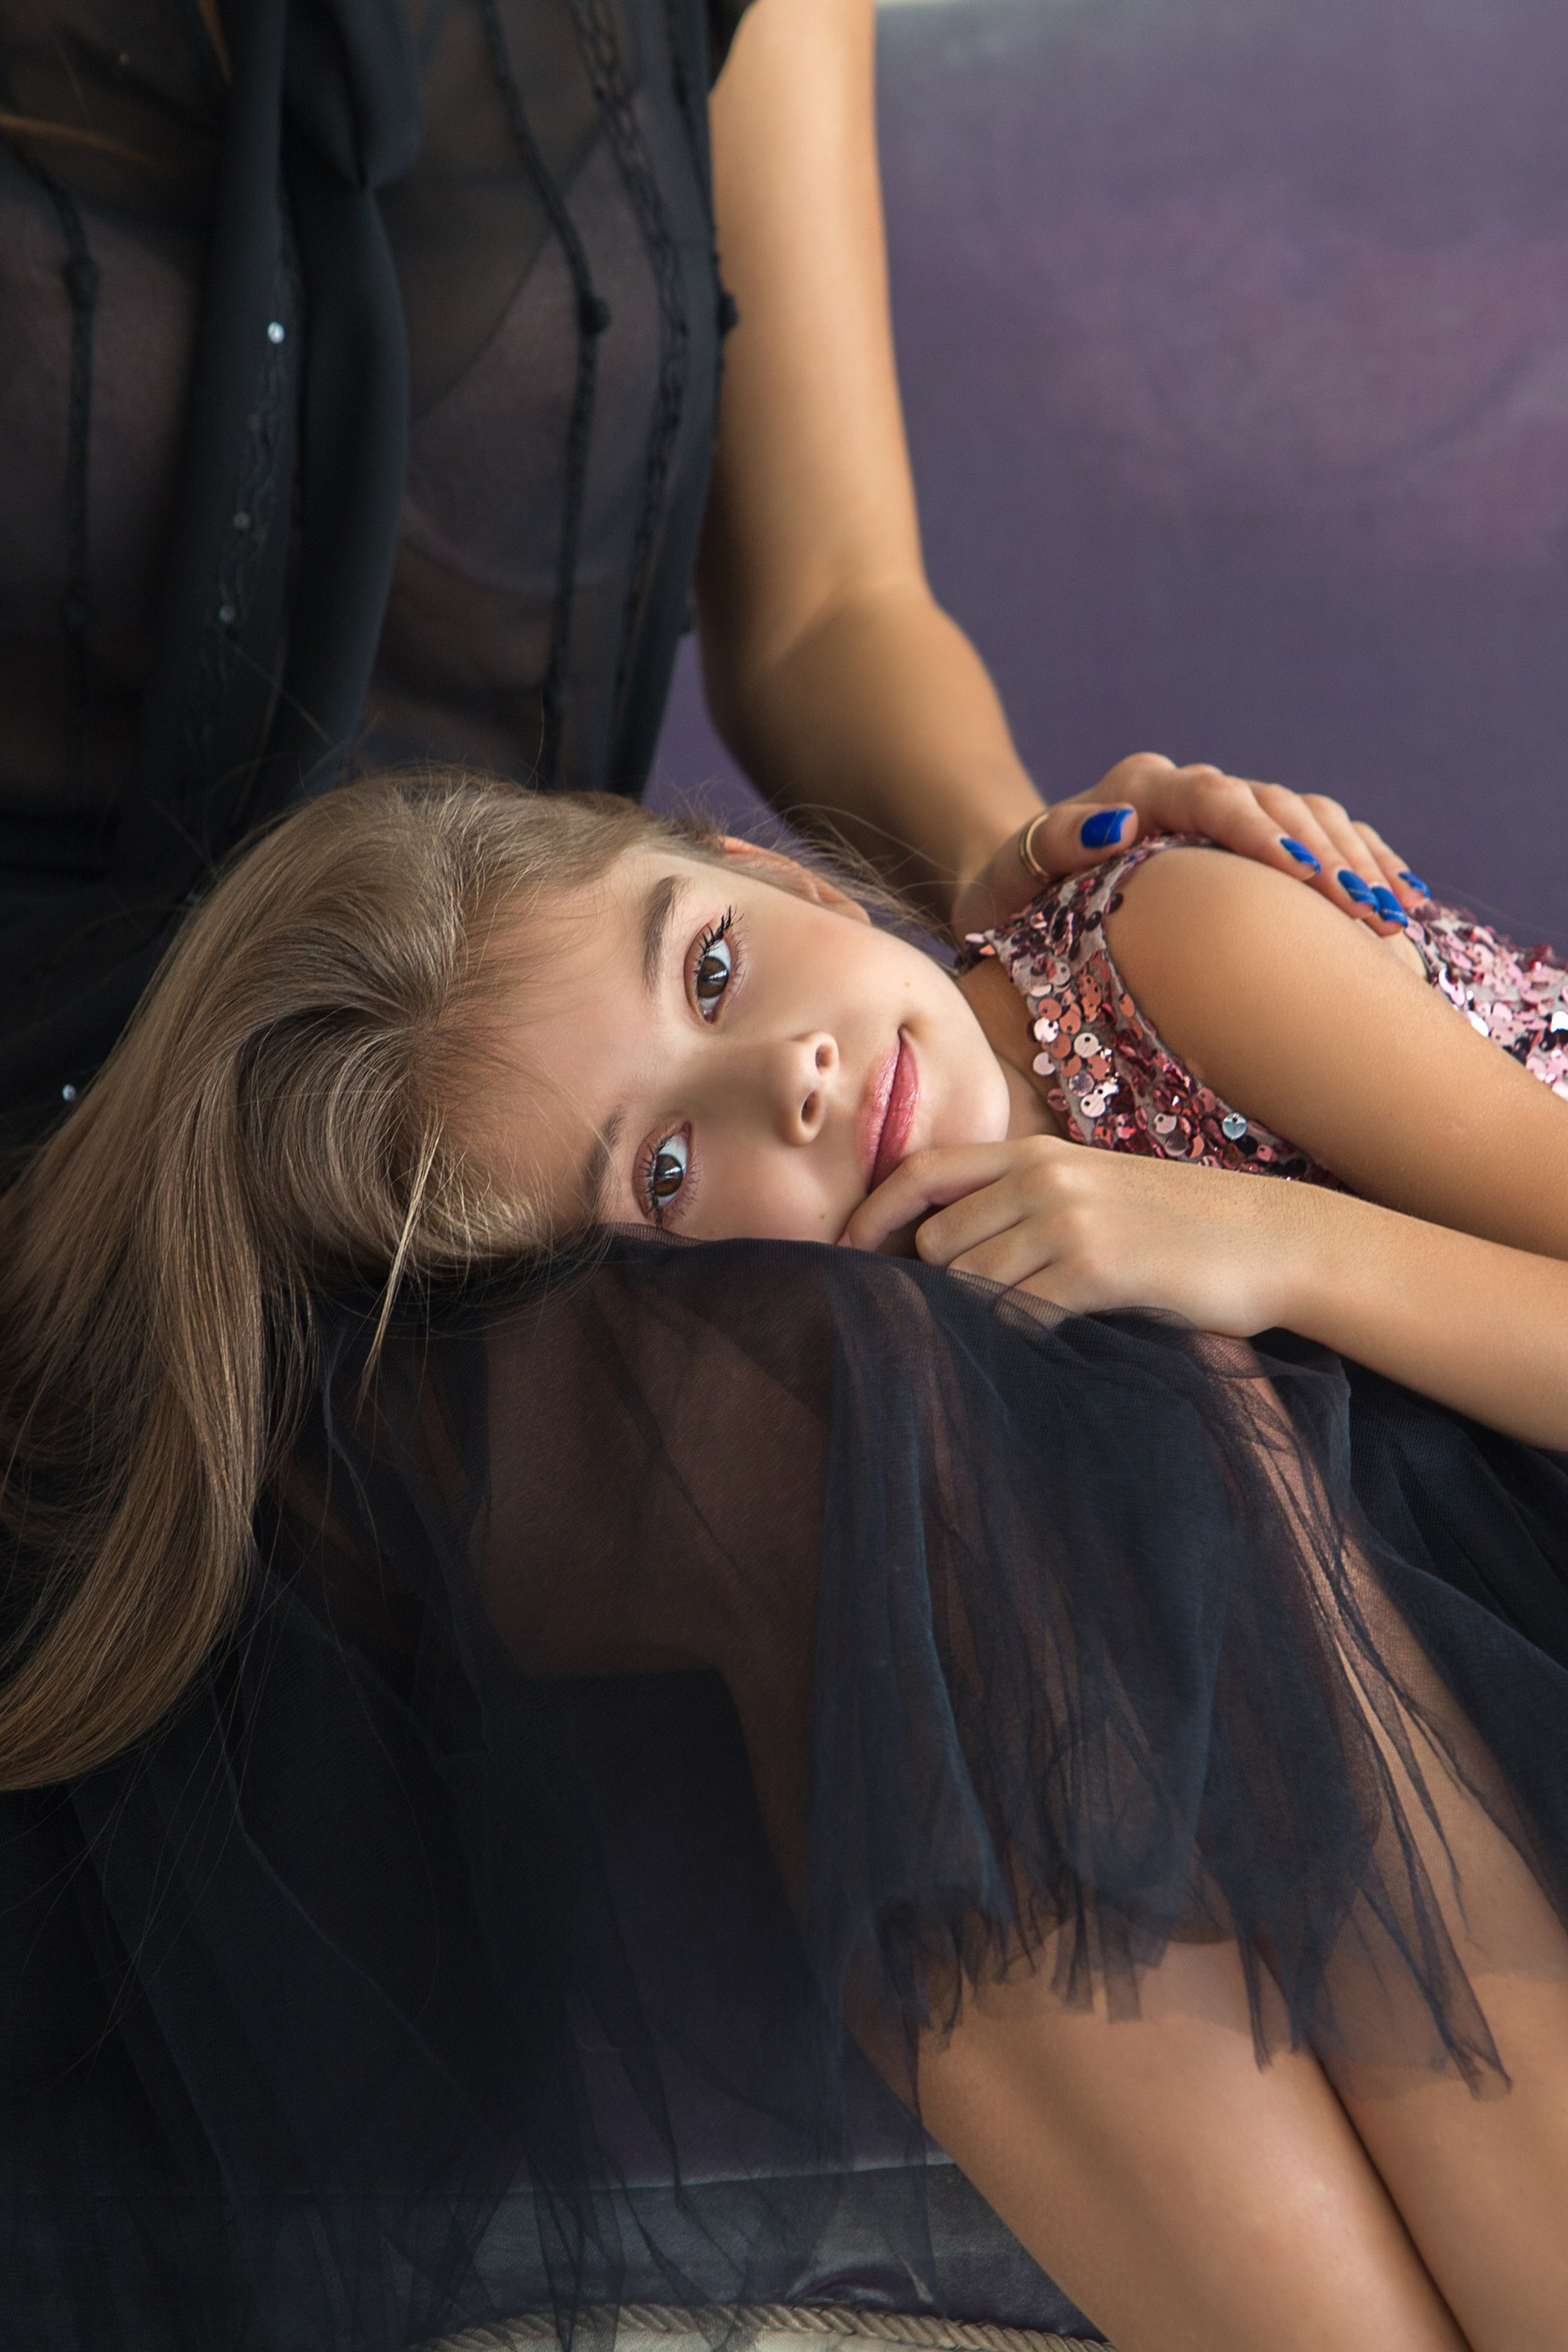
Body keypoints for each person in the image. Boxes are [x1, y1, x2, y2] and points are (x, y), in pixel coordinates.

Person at [4, 765, 1567, 2352]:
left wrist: (1267, 1251)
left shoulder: (1177, 944)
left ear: (786, 876)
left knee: (1195, 1430)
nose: (794, 1079)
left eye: (711, 970)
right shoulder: (905, 1447)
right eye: (663, 1174)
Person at [0, 0, 1422, 1142]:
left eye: (728, 965)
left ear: (778, 884)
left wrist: (1028, 902)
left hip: (560, 1153)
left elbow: (828, 609)